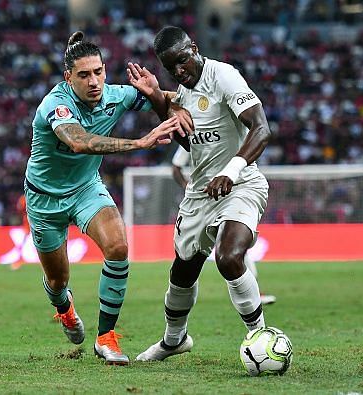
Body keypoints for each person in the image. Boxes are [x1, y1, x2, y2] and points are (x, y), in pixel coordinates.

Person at [25, 31, 184, 365]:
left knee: (118, 246)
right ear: (68, 78)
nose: (94, 81)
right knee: (58, 280)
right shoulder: (55, 106)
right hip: (44, 199)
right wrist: (139, 143)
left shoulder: (117, 95)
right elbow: (80, 142)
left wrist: (165, 94)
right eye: (84, 75)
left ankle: (105, 338)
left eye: (98, 72)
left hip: (86, 189)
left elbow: (168, 99)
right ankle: (64, 308)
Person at [128, 26, 273, 362]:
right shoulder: (182, 94)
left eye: (182, 61)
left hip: (241, 184)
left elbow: (261, 128)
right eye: (171, 68)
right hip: (200, 192)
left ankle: (260, 334)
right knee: (182, 272)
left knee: (228, 257)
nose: (179, 71)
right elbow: (191, 144)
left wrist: (230, 171)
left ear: (193, 48)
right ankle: (174, 339)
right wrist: (154, 97)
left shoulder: (223, 75)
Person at [171, 145, 277, 306]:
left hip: (231, 197)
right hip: (203, 201)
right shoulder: (195, 132)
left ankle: (254, 298)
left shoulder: (231, 128)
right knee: (189, 257)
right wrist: (189, 187)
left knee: (234, 249)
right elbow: (176, 167)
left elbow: (259, 132)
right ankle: (176, 326)